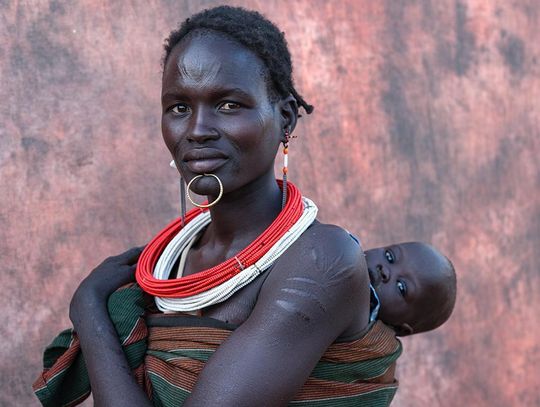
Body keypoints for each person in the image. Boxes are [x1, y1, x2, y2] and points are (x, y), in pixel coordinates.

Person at [33, 6, 447, 407]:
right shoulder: (172, 262)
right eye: (179, 107)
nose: (196, 130)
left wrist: (88, 308)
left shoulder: (324, 261)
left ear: (286, 119)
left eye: (228, 105)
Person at [362, 241, 456, 337]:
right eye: (389, 256)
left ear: (399, 329)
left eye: (401, 287)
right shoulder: (347, 249)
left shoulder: (360, 346)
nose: (384, 271)